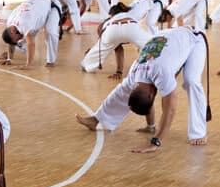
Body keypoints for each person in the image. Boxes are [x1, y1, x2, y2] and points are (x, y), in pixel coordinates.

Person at [75, 28, 210, 153]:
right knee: (122, 90)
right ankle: (97, 119)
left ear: (152, 94)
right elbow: (122, 96)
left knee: (191, 81)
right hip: (170, 39)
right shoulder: (134, 74)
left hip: (194, 39)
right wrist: (151, 127)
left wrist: (155, 142)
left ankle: (199, 133)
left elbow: (170, 110)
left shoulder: (161, 73)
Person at [0, 0, 67, 69]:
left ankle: (51, 61)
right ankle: (10, 55)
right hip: (37, 6)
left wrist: (28, 65)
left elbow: (31, 44)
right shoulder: (10, 23)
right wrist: (9, 59)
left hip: (52, 5)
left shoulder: (24, 22)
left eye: (17, 38)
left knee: (50, 32)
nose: (19, 38)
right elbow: (11, 42)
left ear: (12, 30)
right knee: (20, 40)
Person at [80, 9, 152, 78]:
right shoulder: (129, 14)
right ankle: (152, 68)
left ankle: (87, 65)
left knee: (86, 65)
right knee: (155, 45)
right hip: (131, 26)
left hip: (112, 30)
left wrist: (94, 51)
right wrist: (119, 72)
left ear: (112, 15)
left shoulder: (108, 21)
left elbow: (116, 48)